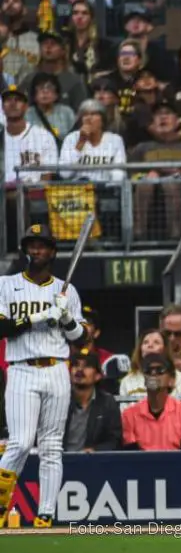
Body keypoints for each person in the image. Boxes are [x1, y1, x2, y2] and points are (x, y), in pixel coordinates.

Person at [0, 226, 87, 528]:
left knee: (51, 447)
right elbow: (2, 328)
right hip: (22, 367)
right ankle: (0, 506)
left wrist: (65, 318)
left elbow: (82, 338)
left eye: (42, 246)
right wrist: (39, 316)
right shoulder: (6, 285)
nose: (36, 251)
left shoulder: (66, 290)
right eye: (31, 245)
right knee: (21, 443)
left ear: (52, 251)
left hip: (56, 368)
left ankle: (46, 515)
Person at [120, 354, 181, 451]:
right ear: (144, 380)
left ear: (171, 380)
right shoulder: (129, 415)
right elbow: (130, 457)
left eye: (160, 370)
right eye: (148, 371)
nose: (153, 374)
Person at [63, 349, 122, 453]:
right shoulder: (59, 400)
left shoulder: (107, 403)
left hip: (92, 463)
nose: (80, 369)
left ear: (98, 376)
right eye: (76, 365)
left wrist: (95, 450)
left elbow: (115, 441)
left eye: (87, 366)